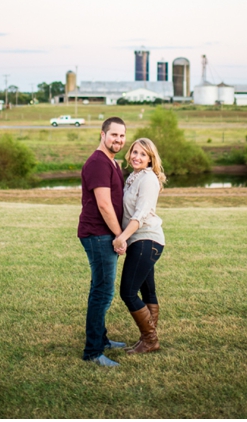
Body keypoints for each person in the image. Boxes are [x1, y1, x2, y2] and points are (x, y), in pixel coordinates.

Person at [78, 116, 128, 367]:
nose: (118, 140)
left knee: (100, 288)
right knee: (103, 292)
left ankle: (102, 339)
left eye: (122, 136)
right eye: (114, 135)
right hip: (98, 234)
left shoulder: (112, 162)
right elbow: (104, 204)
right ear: (102, 134)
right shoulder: (98, 162)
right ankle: (93, 352)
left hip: (103, 233)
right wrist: (119, 236)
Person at [113, 137, 166, 354]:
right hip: (141, 240)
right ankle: (148, 339)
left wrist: (122, 237)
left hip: (146, 240)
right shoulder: (134, 177)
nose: (137, 157)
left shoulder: (148, 179)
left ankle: (150, 339)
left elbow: (140, 215)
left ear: (151, 159)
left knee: (128, 292)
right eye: (135, 152)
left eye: (143, 154)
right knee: (147, 290)